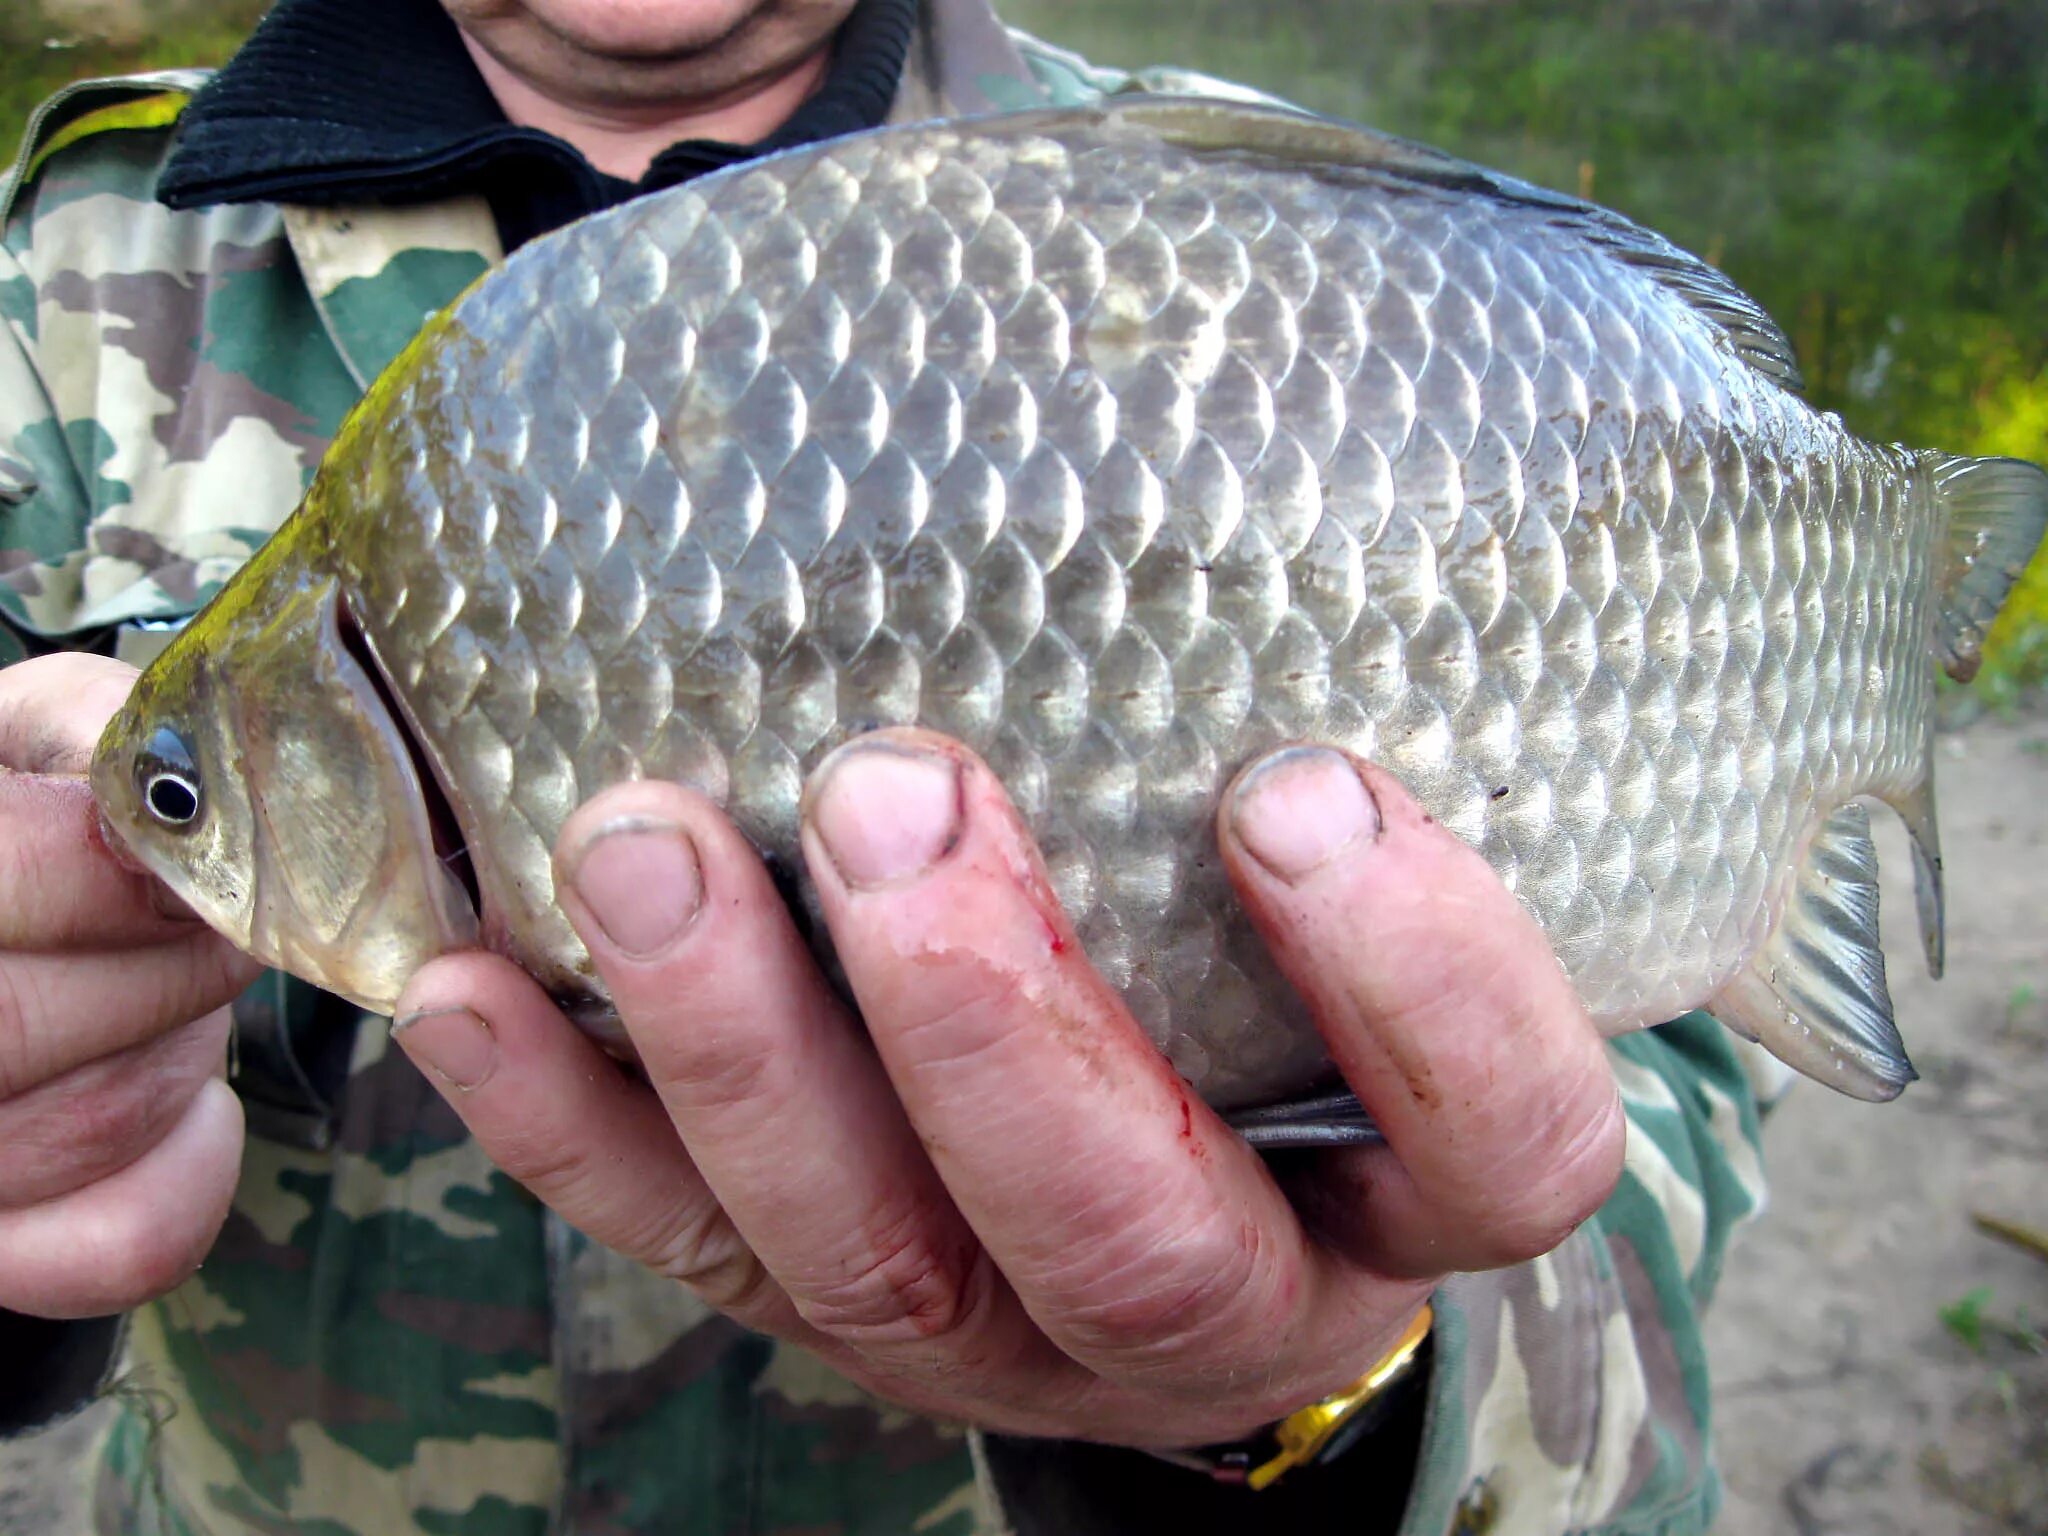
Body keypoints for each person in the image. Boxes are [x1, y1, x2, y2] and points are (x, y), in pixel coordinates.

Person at [0, 0, 1777, 1530]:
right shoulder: (56, 281)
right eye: (180, 800)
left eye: (189, 803)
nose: (166, 836)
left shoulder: (1259, 227)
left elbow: (1662, 1120)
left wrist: (1331, 1393)